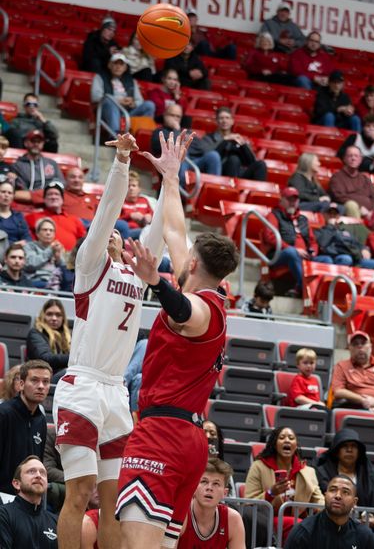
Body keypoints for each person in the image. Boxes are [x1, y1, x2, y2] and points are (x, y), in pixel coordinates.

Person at [116, 132, 240, 548]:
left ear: (191, 263)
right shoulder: (209, 288)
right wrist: (170, 177)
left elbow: (186, 313)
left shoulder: (206, 307)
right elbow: (173, 224)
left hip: (164, 433)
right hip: (188, 438)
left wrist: (156, 284)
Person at [53, 132, 166, 549]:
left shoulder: (138, 273)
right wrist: (122, 163)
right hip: (82, 387)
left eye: (122, 234)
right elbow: (105, 215)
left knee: (116, 501)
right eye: (111, 235)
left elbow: (158, 228)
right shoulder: (89, 266)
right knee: (79, 492)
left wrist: (169, 181)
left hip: (116, 392)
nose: (116, 234)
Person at [244, 427, 324, 541]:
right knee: (298, 525)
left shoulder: (308, 471)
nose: (287, 440)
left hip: (299, 522)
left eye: (291, 438)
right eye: (281, 438)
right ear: (274, 444)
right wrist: (271, 493)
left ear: (296, 445)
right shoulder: (259, 466)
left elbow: (319, 500)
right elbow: (248, 502)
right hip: (265, 521)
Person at [262, 186, 332, 298]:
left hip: (304, 255)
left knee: (326, 260)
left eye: (295, 200)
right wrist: (294, 250)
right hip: (279, 255)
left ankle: (320, 293)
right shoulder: (274, 215)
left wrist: (313, 251)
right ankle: (305, 289)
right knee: (292, 253)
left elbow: (313, 241)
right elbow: (270, 237)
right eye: (289, 200)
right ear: (282, 200)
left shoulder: (303, 219)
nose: (293, 203)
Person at [316, 429, 374, 528]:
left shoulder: (370, 478)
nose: (349, 450)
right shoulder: (322, 473)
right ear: (336, 451)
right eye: (345, 446)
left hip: (365, 531)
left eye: (353, 446)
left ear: (359, 452)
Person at [0, 359, 52, 495]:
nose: (41, 386)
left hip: (29, 498)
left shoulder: (41, 419)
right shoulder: (4, 414)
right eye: (34, 380)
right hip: (3, 496)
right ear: (21, 384)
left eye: (45, 382)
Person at [284, 475, 374, 549]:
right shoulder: (304, 532)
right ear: (325, 496)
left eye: (345, 492)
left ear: (354, 502)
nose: (338, 496)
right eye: (333, 490)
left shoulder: (364, 535)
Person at [177, 458, 246, 548]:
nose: (209, 488)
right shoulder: (181, 514)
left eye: (216, 484)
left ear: (224, 493)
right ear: (194, 487)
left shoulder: (232, 519)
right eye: (204, 481)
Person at [331, 330, 374, 418]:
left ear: (370, 346)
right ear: (349, 348)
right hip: (355, 408)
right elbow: (338, 391)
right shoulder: (341, 366)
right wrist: (362, 400)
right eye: (355, 344)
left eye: (363, 343)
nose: (360, 347)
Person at [151, 103, 222, 188]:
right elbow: (168, 147)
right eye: (172, 115)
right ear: (165, 115)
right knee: (182, 152)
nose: (175, 119)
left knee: (213, 155)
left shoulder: (187, 132)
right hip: (173, 164)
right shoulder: (159, 132)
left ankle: (213, 188)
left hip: (194, 161)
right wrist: (176, 130)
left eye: (178, 116)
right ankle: (180, 188)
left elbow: (201, 148)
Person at [91, 53, 156, 137]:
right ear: (109, 65)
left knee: (150, 105)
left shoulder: (131, 81)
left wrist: (133, 103)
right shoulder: (100, 77)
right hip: (108, 112)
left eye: (121, 64)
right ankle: (115, 136)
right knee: (108, 100)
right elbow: (95, 97)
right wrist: (118, 101)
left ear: (125, 67)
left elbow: (140, 100)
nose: (118, 67)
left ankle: (141, 135)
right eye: (115, 63)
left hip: (127, 114)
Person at [0, 456, 58, 548]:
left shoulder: (56, 522)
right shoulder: (4, 515)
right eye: (31, 471)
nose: (38, 475)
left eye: (43, 473)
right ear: (17, 484)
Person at [199, 107, 267, 181]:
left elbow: (251, 161)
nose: (224, 121)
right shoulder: (208, 138)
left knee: (261, 164)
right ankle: (230, 190)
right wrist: (224, 140)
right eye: (221, 118)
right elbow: (209, 157)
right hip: (219, 172)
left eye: (227, 118)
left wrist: (243, 145)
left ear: (232, 121)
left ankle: (257, 192)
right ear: (216, 121)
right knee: (234, 159)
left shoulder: (237, 138)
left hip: (238, 173)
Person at [316, 202, 374, 269]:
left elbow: (356, 243)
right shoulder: (321, 230)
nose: (332, 216)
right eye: (329, 213)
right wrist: (330, 226)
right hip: (335, 256)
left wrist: (364, 249)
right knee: (346, 259)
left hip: (354, 257)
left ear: (338, 216)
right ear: (324, 215)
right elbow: (323, 244)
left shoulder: (345, 230)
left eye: (335, 214)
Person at [25, 180, 86, 251]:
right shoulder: (32, 217)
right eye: (49, 194)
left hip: (70, 258)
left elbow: (83, 240)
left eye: (56, 194)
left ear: (62, 199)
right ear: (44, 199)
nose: (53, 197)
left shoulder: (74, 219)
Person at [328, 145, 374, 219]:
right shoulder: (337, 177)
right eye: (350, 156)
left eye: (356, 156)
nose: (353, 158)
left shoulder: (365, 178)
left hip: (370, 213)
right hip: (350, 211)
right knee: (351, 205)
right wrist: (360, 207)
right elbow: (339, 197)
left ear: (361, 159)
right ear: (344, 159)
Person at [27, 299, 71, 382]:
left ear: (63, 318)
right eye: (49, 314)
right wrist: (73, 358)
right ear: (43, 316)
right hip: (40, 379)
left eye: (58, 315)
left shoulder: (67, 336)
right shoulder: (36, 333)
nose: (54, 318)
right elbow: (45, 359)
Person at [24, 217, 65, 290]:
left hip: (55, 283)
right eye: (45, 230)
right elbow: (30, 264)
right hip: (36, 281)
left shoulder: (58, 248)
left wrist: (58, 258)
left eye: (51, 230)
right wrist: (50, 250)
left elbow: (65, 271)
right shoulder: (30, 246)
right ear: (37, 233)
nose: (48, 233)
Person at [120, 170, 153, 240]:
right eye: (128, 186)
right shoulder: (121, 202)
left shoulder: (144, 200)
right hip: (127, 232)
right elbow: (115, 222)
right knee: (147, 233)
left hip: (144, 229)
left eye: (134, 185)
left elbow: (152, 214)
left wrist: (149, 217)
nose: (131, 188)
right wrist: (130, 216)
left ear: (139, 189)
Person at [0, 180, 32, 245]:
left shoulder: (18, 216)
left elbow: (27, 237)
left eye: (9, 193)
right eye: (3, 192)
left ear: (13, 196)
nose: (6, 195)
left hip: (16, 252)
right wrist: (13, 245)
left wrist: (25, 242)